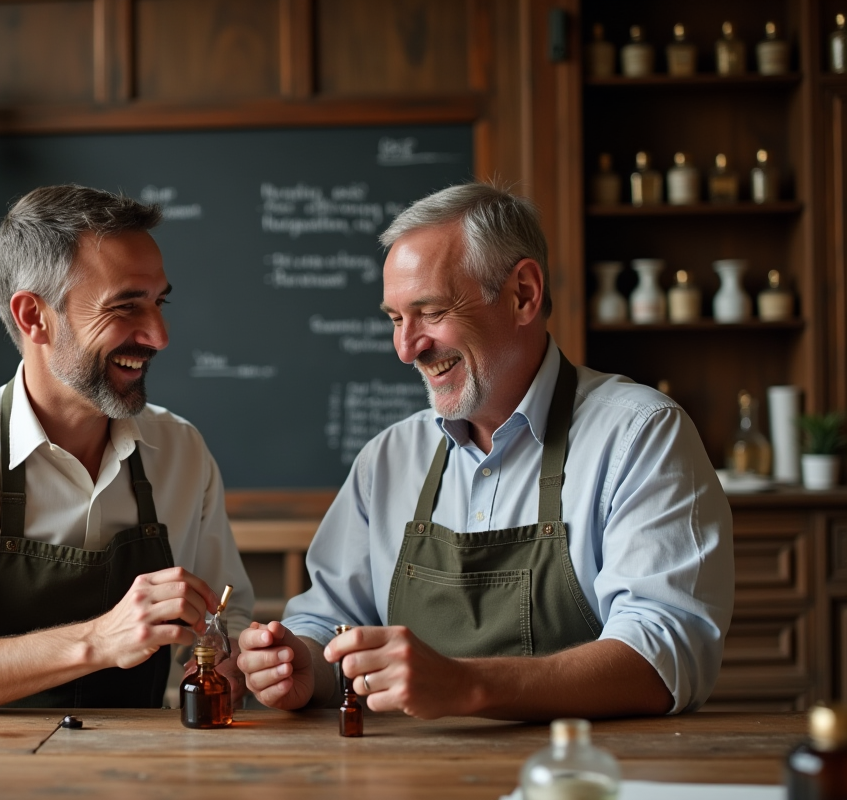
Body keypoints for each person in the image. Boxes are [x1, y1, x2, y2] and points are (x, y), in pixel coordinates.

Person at [238, 183, 732, 721]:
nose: (407, 348)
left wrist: (466, 684)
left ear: (523, 293)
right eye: (395, 319)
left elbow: (663, 656)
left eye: (429, 311)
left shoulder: (641, 435)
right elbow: (329, 621)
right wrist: (303, 665)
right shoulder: (387, 460)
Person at [0, 185, 254, 711]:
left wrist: (243, 657)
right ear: (33, 317)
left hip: (139, 777)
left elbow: (224, 619)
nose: (158, 335)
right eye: (126, 307)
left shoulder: (180, 450)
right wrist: (99, 641)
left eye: (158, 302)